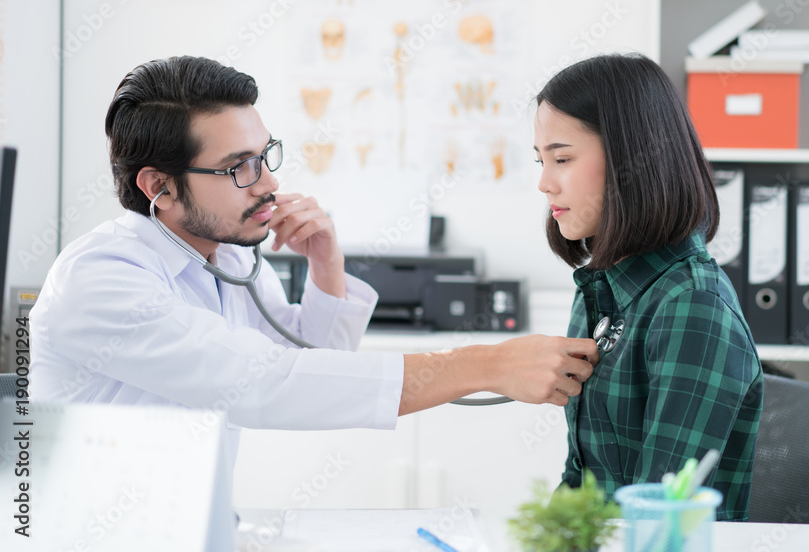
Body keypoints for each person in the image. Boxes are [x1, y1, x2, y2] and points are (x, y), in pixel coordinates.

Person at [29, 55, 598, 450]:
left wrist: (327, 267)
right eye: (239, 168)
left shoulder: (228, 262)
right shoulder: (101, 280)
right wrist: (484, 365)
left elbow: (318, 363)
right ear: (159, 187)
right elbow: (267, 385)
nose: (269, 184)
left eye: (265, 155)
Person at [532, 53, 763, 521]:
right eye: (541, 161)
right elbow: (582, 481)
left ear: (629, 159)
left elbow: (659, 523)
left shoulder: (693, 305)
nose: (544, 183)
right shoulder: (600, 291)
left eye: (561, 158)